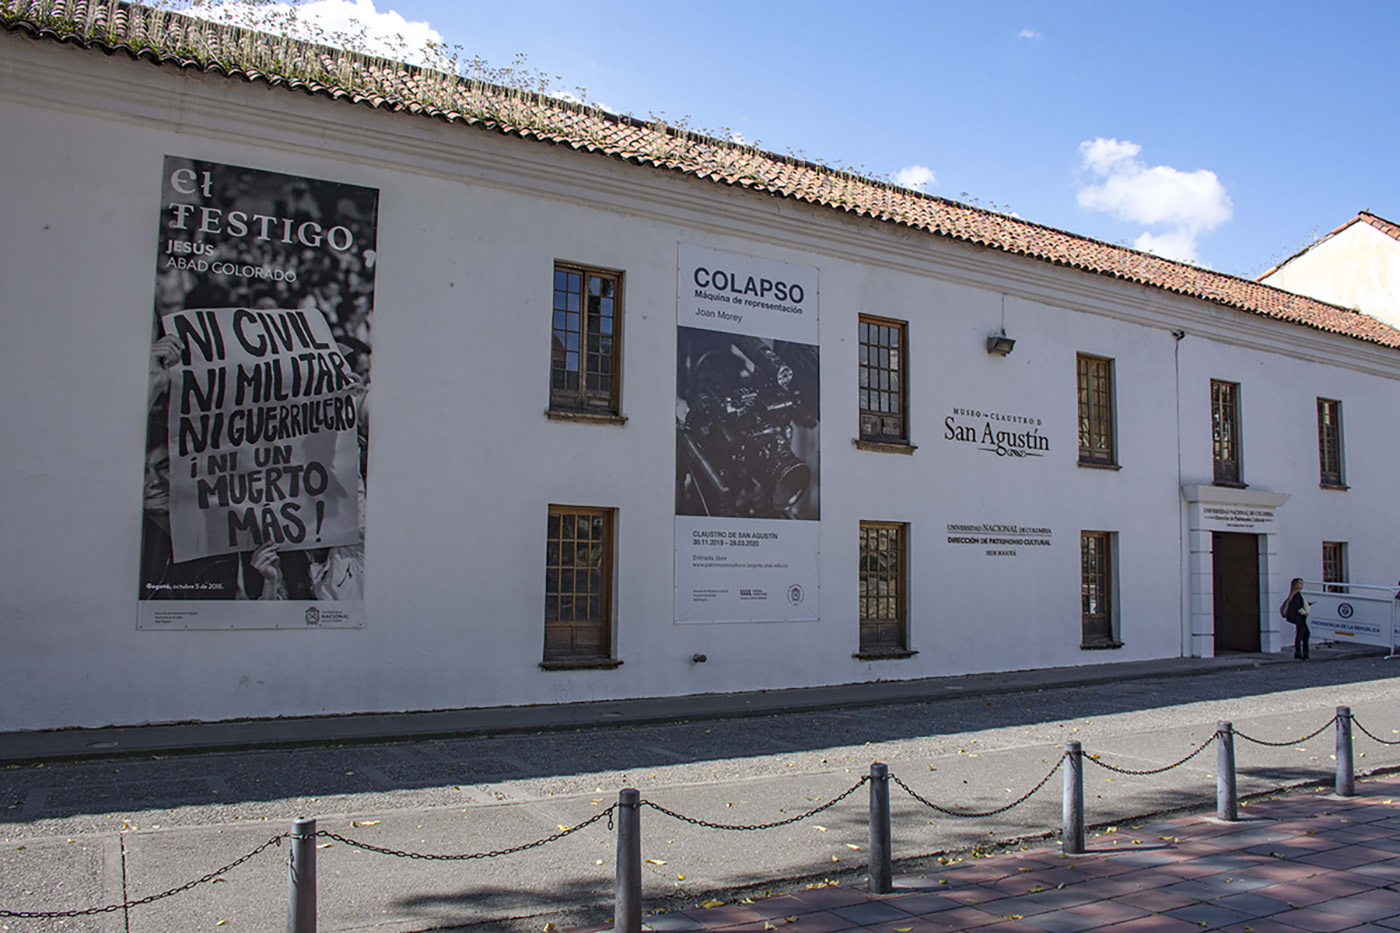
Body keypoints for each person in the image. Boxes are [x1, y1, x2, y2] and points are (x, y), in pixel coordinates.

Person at [1282, 577, 1311, 660]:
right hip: (1300, 618)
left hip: (1298, 618)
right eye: (1300, 583)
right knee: (1302, 635)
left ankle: (1302, 653)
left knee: (1304, 634)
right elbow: (1297, 607)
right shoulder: (1297, 595)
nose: (1302, 585)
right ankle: (1300, 653)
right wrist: (1304, 611)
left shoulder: (1294, 595)